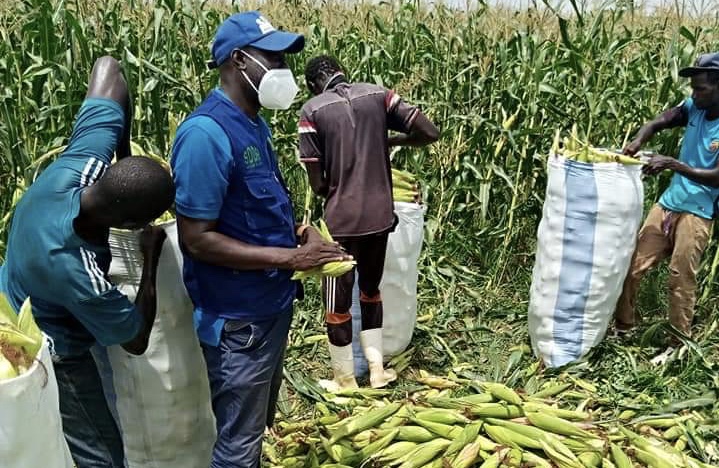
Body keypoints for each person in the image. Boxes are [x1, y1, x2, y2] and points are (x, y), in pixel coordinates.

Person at [170, 12, 350, 468]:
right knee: (237, 442)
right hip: (238, 318)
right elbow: (198, 239)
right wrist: (292, 257)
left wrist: (296, 233)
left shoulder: (253, 125)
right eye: (273, 57)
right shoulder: (205, 134)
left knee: (253, 427)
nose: (284, 70)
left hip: (270, 305)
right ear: (239, 60)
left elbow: (246, 210)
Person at [0, 56, 174, 467]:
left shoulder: (83, 163)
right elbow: (135, 340)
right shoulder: (77, 269)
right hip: (50, 347)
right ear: (131, 223)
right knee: (100, 453)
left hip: (19, 288)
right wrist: (149, 261)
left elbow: (108, 68)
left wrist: (124, 152)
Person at [299, 55, 440, 390]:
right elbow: (429, 132)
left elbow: (318, 185)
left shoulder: (313, 111)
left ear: (312, 83)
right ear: (341, 72)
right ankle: (378, 372)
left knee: (337, 301)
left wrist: (338, 178)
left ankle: (344, 378)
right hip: (380, 216)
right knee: (371, 291)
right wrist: (393, 140)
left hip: (342, 222)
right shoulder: (379, 95)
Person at [615, 52, 719, 345]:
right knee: (631, 265)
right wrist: (638, 140)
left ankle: (678, 344)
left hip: (698, 211)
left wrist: (673, 164)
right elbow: (659, 121)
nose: (694, 94)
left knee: (680, 279)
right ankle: (624, 328)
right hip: (669, 203)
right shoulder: (693, 108)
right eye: (693, 87)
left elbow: (717, 176)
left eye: (701, 88)